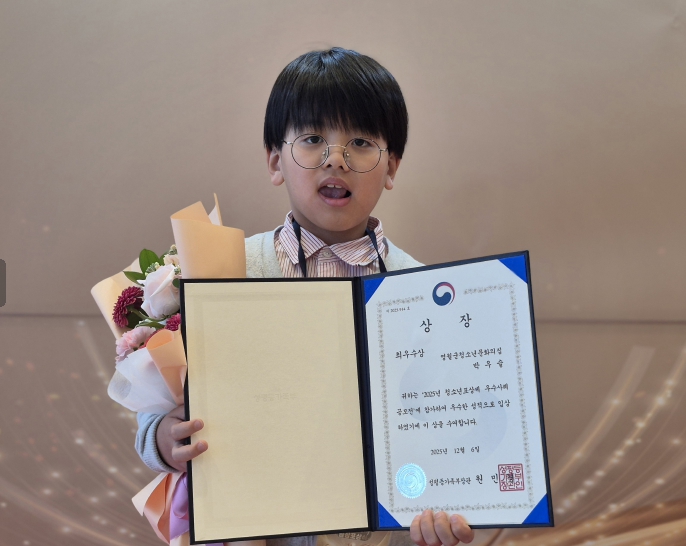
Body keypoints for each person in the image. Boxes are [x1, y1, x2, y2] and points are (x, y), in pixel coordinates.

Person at [136, 47, 474, 546]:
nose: (335, 158)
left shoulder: (427, 293)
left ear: (392, 167)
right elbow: (154, 413)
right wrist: (166, 438)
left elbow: (452, 427)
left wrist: (452, 502)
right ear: (275, 161)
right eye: (313, 139)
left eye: (361, 142)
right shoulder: (223, 270)